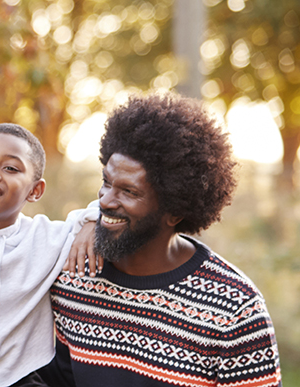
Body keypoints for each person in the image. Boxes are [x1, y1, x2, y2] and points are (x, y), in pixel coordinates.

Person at [43, 94, 282, 387]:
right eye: (106, 182)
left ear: (176, 210)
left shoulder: (235, 310)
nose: (104, 200)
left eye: (128, 192)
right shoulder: (73, 276)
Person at [0, 124, 98, 387]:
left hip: (18, 379)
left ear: (36, 190)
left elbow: (112, 203)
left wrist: (92, 220)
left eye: (10, 168)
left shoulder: (47, 238)